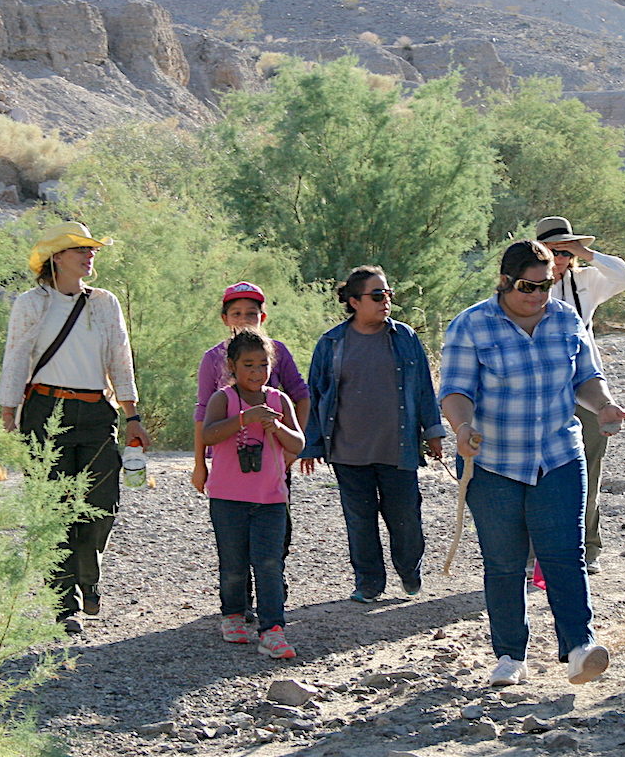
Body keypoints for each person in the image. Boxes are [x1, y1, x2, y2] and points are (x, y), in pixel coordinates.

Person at [439, 239, 625, 687]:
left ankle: (580, 648)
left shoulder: (566, 320)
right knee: (504, 563)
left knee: (565, 554)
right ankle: (509, 656)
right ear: (504, 281)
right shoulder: (471, 326)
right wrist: (462, 428)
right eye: (528, 285)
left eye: (547, 285)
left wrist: (604, 406)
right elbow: (455, 391)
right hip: (493, 464)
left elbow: (587, 378)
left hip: (559, 456)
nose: (538, 295)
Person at [0, 221, 150, 635]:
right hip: (44, 410)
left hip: (96, 412)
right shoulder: (31, 303)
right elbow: (15, 357)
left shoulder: (105, 303)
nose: (89, 255)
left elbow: (121, 358)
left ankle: (88, 577)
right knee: (53, 509)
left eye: (91, 249)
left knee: (102, 503)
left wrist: (131, 414)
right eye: (79, 249)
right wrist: (8, 409)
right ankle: (62, 604)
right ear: (56, 258)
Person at [300, 266, 445, 603]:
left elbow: (424, 387)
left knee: (406, 518)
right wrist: (312, 445)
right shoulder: (331, 343)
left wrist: (433, 432)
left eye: (388, 294)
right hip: (348, 452)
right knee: (360, 522)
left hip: (399, 449)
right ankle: (368, 584)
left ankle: (410, 572)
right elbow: (316, 393)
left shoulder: (405, 338)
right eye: (377, 295)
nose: (386, 302)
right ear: (353, 301)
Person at [191, 281, 310, 621]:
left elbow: (300, 394)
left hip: (273, 462)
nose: (245, 319)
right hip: (229, 466)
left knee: (276, 535)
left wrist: (291, 449)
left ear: (263, 316)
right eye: (237, 313)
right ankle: (238, 607)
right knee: (233, 544)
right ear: (225, 318)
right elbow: (203, 414)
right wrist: (199, 464)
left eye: (252, 313)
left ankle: (273, 602)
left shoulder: (278, 352)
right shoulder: (212, 359)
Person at [536, 216, 625, 575]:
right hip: (544, 395)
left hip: (589, 392)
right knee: (541, 471)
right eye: (553, 250)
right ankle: (538, 553)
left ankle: (587, 547)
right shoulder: (528, 288)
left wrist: (587, 253)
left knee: (588, 470)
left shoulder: (586, 282)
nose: (560, 258)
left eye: (566, 251)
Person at [203, 328, 305, 659]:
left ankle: (273, 630)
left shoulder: (279, 400)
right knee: (233, 564)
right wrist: (244, 419)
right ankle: (233, 615)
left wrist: (276, 427)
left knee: (269, 563)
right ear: (232, 365)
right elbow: (208, 435)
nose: (257, 372)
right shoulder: (224, 399)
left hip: (271, 499)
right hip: (228, 499)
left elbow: (298, 443)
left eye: (263, 365)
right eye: (248, 365)